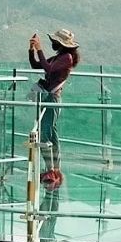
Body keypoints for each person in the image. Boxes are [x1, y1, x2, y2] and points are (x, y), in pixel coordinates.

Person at [28, 28, 80, 191]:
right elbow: (37, 65)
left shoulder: (67, 58)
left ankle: (50, 170)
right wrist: (31, 50)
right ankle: (54, 168)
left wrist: (39, 49)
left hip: (52, 98)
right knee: (51, 133)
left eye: (55, 41)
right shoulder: (60, 57)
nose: (53, 43)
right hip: (48, 98)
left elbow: (48, 69)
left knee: (45, 132)